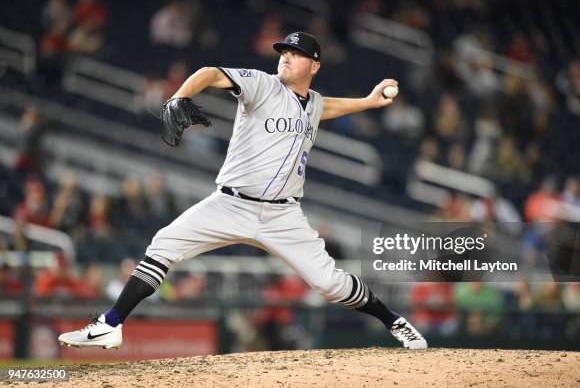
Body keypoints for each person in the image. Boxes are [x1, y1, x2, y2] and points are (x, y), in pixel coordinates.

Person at [58, 32, 427, 350]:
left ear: (314, 65)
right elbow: (209, 73)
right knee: (164, 244)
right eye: (283, 51)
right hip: (231, 204)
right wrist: (179, 97)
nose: (285, 56)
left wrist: (367, 101)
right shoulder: (262, 84)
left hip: (283, 215)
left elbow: (324, 106)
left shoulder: (312, 103)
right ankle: (110, 324)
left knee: (330, 283)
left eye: (295, 53)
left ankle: (394, 320)